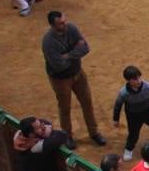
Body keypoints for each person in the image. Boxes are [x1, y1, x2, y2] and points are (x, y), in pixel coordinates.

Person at [41, 10, 106, 147]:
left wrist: (67, 55)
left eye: (64, 21)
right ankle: (67, 136)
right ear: (53, 26)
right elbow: (59, 66)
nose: (65, 25)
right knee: (65, 108)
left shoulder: (72, 28)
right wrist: (75, 52)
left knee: (87, 103)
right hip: (60, 79)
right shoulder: (48, 42)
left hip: (78, 73)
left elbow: (85, 48)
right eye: (60, 24)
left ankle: (94, 132)